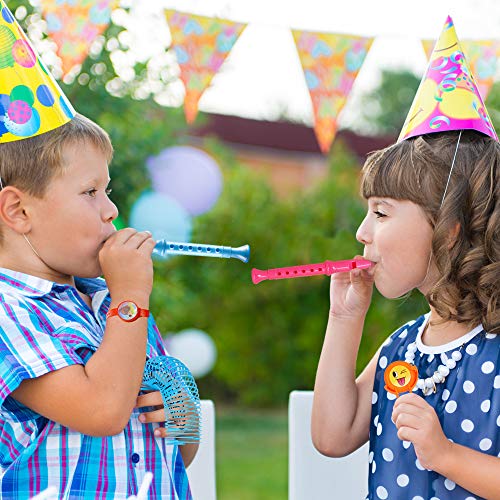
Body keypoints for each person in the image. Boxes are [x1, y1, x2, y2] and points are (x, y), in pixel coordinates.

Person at [0, 3, 196, 498]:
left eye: (107, 191)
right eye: (91, 193)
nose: (111, 211)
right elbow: (103, 410)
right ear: (19, 212)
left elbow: (174, 444)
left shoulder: (109, 302)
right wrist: (131, 297)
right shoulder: (10, 314)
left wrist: (182, 413)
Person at [311, 17, 499, 500]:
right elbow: (333, 437)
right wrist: (345, 317)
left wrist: (446, 456)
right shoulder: (404, 347)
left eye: (381, 213)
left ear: (449, 228)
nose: (361, 232)